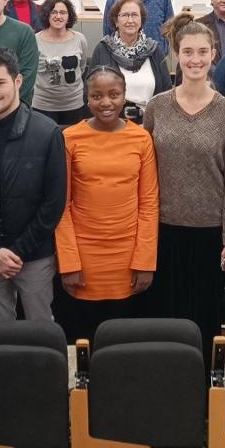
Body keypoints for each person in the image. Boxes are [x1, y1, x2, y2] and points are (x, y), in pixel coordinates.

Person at [139, 14, 225, 353]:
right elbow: (144, 171)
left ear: (214, 54)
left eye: (202, 52)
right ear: (177, 54)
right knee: (164, 318)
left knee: (204, 319)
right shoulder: (157, 107)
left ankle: (202, 382)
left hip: (209, 233)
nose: (195, 59)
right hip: (163, 230)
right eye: (188, 52)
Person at [54, 66, 159, 342]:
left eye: (114, 94)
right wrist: (69, 263)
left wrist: (145, 261)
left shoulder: (141, 138)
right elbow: (62, 207)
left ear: (124, 96)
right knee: (83, 341)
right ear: (87, 98)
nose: (106, 103)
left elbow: (149, 204)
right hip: (83, 256)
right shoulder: (69, 138)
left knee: (122, 343)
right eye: (97, 96)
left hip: (128, 257)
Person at [0, 47, 66, 321]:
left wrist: (17, 251)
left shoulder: (47, 132)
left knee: (40, 332)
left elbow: (53, 203)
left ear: (18, 81)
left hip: (34, 255)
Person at [90, 0, 170, 121]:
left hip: (149, 123)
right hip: (113, 123)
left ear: (141, 21)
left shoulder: (154, 50)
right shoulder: (102, 49)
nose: (130, 20)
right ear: (116, 21)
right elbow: (91, 90)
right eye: (125, 15)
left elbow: (166, 91)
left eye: (134, 15)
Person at [33, 0, 89, 125]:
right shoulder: (35, 40)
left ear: (69, 16)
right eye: (54, 12)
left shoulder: (80, 39)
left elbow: (82, 67)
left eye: (63, 12)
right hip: (42, 105)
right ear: (47, 15)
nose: (58, 16)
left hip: (73, 104)